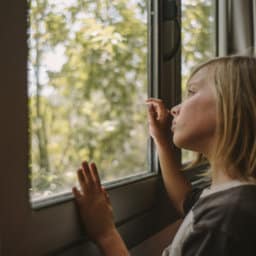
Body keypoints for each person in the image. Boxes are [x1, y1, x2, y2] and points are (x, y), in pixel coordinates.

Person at [72, 55, 256, 256]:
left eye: (191, 92)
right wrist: (162, 142)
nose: (175, 109)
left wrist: (106, 234)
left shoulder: (223, 221)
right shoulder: (233, 198)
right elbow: (186, 202)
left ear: (233, 105)